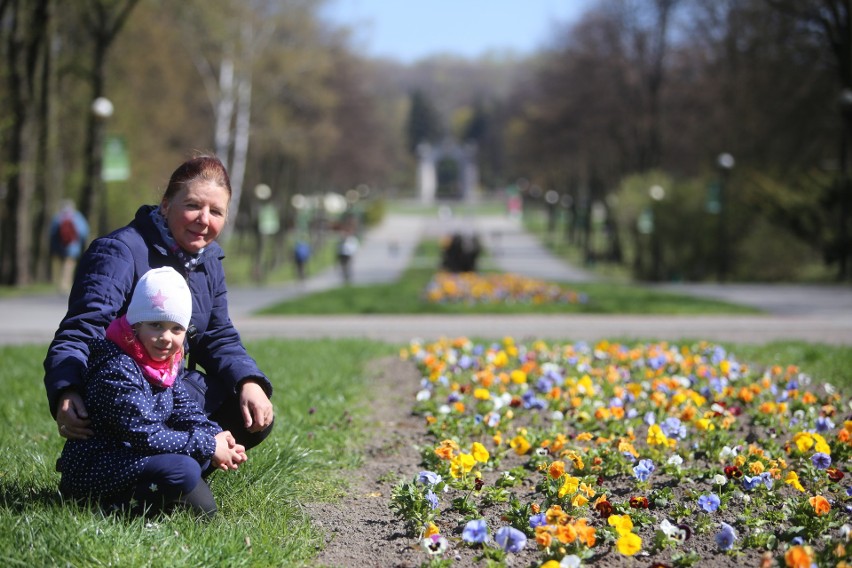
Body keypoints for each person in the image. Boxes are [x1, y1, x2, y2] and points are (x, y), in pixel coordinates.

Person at [44, 154, 274, 453]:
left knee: (251, 414)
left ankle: (178, 468)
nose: (204, 219)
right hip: (120, 395)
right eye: (192, 205)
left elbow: (217, 335)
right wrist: (67, 388)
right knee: (181, 482)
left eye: (216, 211)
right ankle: (142, 474)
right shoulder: (119, 251)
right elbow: (81, 329)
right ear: (166, 205)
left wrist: (249, 381)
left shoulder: (209, 261)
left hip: (170, 392)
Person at [56, 267, 246, 517]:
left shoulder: (163, 362)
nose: (166, 337)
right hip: (98, 465)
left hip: (134, 456)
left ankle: (157, 497)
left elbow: (183, 408)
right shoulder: (117, 367)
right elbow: (144, 434)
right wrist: (209, 446)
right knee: (186, 468)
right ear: (136, 324)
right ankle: (110, 509)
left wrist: (218, 437)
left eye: (176, 328)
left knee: (196, 469)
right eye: (156, 325)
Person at [49, 200, 89, 294]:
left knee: (60, 265)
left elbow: (52, 233)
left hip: (59, 246)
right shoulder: (77, 216)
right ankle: (65, 285)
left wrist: (53, 246)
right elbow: (83, 232)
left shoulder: (58, 217)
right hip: (73, 246)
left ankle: (60, 284)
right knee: (69, 266)